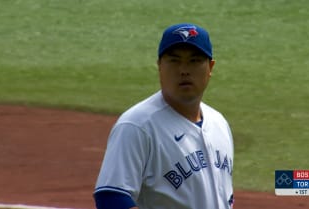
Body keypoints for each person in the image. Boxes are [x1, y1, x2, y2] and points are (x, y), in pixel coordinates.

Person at [93, 23, 234, 209]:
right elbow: (111, 198)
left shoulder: (219, 123)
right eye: (174, 60)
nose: (184, 70)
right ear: (160, 66)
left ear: (210, 67)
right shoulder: (137, 126)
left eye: (194, 60)